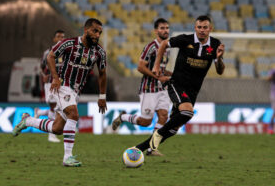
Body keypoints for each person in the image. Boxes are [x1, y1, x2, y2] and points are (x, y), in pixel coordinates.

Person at [12, 18, 107, 167]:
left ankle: (28, 121)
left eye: (100, 32)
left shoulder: (99, 52)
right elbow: (51, 56)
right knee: (74, 114)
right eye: (95, 31)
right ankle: (67, 158)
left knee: (57, 129)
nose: (97, 35)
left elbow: (102, 73)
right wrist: (55, 78)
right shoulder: (70, 44)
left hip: (75, 91)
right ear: (86, 30)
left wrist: (102, 96)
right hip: (62, 86)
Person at [135, 15, 225, 153]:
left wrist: (219, 59)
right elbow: (164, 44)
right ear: (195, 28)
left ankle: (140, 148)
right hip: (177, 83)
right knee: (187, 112)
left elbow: (220, 71)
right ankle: (158, 134)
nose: (202, 30)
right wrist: (157, 66)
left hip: (194, 90)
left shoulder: (215, 45)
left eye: (205, 27)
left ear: (210, 29)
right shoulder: (185, 39)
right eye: (199, 27)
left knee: (174, 127)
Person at [112, 18, 172, 156]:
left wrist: (172, 75)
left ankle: (152, 148)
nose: (165, 30)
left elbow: (161, 69)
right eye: (162, 28)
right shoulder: (151, 47)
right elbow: (140, 67)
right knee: (146, 122)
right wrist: (158, 77)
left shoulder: (167, 48)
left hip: (162, 88)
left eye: (167, 28)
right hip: (149, 89)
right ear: (156, 31)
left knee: (163, 116)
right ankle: (123, 117)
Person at [34, 30, 65, 143]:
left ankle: (40, 113)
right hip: (50, 82)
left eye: (62, 37)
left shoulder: (66, 52)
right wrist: (44, 76)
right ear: (54, 39)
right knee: (54, 106)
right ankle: (51, 135)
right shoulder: (48, 52)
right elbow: (42, 67)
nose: (61, 38)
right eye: (58, 36)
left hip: (62, 83)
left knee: (59, 106)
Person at [267, 68, 275, 134]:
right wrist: (273, 76)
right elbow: (268, 79)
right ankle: (270, 127)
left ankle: (271, 127)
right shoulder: (273, 71)